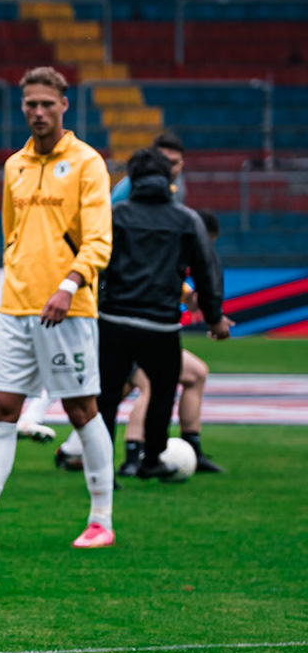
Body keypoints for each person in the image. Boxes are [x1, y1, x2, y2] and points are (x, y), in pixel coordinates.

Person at [0, 66, 115, 549]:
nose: (37, 112)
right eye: (30, 104)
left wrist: (69, 285)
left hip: (68, 308)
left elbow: (99, 240)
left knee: (81, 408)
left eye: (46, 104)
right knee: (2, 406)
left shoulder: (88, 164)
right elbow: (13, 235)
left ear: (64, 106)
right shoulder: (14, 165)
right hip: (16, 307)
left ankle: (101, 519)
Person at [95, 147, 229, 480]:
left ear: (133, 178)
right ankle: (151, 458)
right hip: (161, 324)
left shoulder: (114, 215)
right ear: (170, 177)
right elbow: (207, 271)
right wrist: (214, 318)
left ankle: (101, 470)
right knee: (162, 391)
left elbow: (94, 263)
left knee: (107, 397)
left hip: (114, 320)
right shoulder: (186, 219)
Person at [110, 130, 184, 205]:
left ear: (181, 164)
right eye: (164, 162)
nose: (169, 168)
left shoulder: (177, 186)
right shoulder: (128, 187)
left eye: (174, 163)